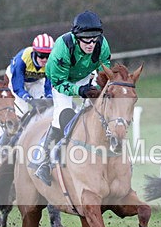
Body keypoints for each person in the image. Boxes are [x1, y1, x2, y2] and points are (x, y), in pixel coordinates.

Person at [32, 10, 111, 185]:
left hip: (86, 75)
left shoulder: (102, 44)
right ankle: (44, 161)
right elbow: (59, 82)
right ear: (76, 37)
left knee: (100, 109)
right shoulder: (62, 48)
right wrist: (80, 90)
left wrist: (97, 90)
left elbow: (104, 73)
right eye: (86, 39)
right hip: (61, 79)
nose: (91, 44)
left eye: (94, 39)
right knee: (62, 116)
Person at [6, 33, 54, 116]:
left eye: (48, 55)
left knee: (44, 105)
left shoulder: (52, 62)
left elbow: (48, 85)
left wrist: (49, 97)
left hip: (35, 80)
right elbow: (18, 86)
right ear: (35, 52)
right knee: (23, 110)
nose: (45, 59)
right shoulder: (22, 59)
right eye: (41, 55)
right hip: (16, 78)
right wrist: (28, 98)